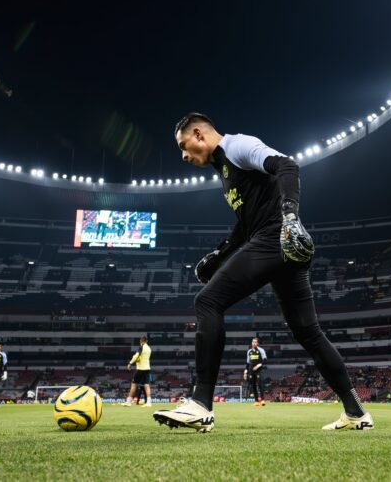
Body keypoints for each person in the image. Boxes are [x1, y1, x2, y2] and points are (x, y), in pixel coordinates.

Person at [154, 113, 372, 432]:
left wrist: (289, 217)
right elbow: (244, 228)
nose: (183, 156)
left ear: (198, 134)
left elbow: (287, 166)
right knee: (308, 333)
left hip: (275, 238)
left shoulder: (239, 146)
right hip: (277, 243)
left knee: (207, 302)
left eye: (183, 146)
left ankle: (200, 404)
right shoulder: (224, 170)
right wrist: (216, 257)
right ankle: (355, 412)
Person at [124, 336, 153, 408]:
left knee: (134, 385)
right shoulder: (149, 348)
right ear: (147, 341)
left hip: (140, 369)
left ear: (141, 341)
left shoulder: (141, 347)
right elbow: (143, 358)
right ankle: (149, 402)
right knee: (147, 385)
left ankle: (128, 402)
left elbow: (136, 356)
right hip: (147, 368)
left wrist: (130, 363)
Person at [244, 338, 267, 406]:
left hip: (259, 370)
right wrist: (245, 372)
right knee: (253, 386)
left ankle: (262, 400)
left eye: (255, 342)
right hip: (251, 371)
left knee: (260, 384)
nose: (254, 343)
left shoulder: (261, 350)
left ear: (257, 343)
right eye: (253, 342)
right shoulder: (249, 351)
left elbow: (265, 360)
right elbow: (248, 363)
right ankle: (256, 401)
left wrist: (258, 365)